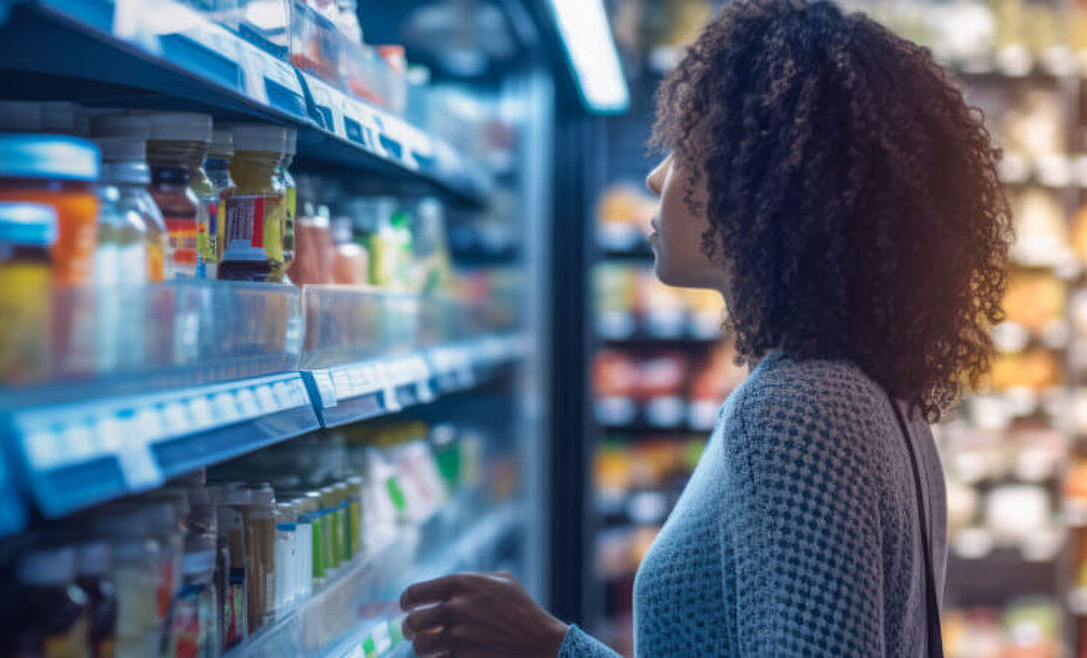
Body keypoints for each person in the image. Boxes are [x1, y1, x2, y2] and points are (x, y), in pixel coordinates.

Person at [398, 0, 1012, 655]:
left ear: (768, 182)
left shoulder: (799, 410)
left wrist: (553, 648)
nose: (655, 175)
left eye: (685, 150)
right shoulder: (877, 393)